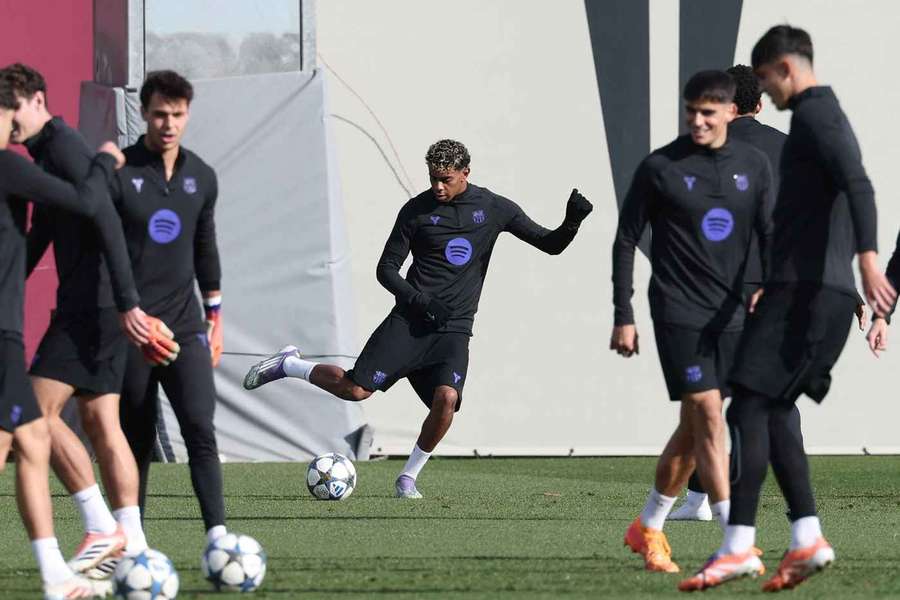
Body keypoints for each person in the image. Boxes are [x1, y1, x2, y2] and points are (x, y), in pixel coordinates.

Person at [244, 138, 593, 498]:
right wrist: (420, 301)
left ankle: (407, 478)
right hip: (409, 324)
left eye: (446, 179)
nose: (438, 187)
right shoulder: (416, 211)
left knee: (447, 400)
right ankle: (289, 365)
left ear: (465, 173)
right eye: (432, 178)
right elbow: (386, 269)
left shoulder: (494, 208)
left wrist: (571, 222)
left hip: (454, 330)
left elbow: (550, 244)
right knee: (355, 390)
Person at [679, 25, 896, 592]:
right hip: (802, 288)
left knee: (749, 407)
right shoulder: (808, 123)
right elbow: (811, 211)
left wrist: (868, 264)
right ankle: (805, 538)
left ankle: (742, 546)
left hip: (812, 291)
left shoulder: (818, 115)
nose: (764, 95)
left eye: (766, 80)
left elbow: (859, 185)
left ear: (784, 68)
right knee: (767, 410)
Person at [611, 70, 773, 573]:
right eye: (691, 112)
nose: (698, 121)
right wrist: (624, 314)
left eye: (709, 112)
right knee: (708, 414)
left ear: (731, 112)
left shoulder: (754, 165)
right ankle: (734, 539)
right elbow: (626, 239)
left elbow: (769, 232)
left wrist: (769, 286)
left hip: (733, 311)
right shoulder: (661, 167)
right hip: (677, 309)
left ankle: (647, 526)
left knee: (693, 425)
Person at [1, 62, 152, 576]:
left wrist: (127, 301)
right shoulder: (44, 153)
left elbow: (103, 215)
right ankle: (134, 545)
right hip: (97, 304)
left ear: (38, 101)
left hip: (92, 306)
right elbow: (42, 232)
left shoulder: (62, 148)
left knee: (36, 416)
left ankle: (100, 524)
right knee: (100, 421)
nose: (10, 120)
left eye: (14, 108)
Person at [112, 70, 228, 547]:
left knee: (200, 427)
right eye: (160, 114)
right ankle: (133, 543)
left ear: (188, 114)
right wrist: (127, 314)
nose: (169, 124)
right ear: (144, 113)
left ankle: (218, 537)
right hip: (134, 330)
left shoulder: (202, 176)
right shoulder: (120, 171)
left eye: (178, 114)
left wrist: (215, 316)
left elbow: (205, 249)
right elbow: (105, 253)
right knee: (135, 440)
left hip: (185, 326)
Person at [671, 64, 790, 522]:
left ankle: (705, 501)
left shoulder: (704, 148)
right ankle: (723, 500)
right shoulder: (788, 148)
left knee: (707, 395)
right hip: (775, 286)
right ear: (758, 104)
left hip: (715, 286)